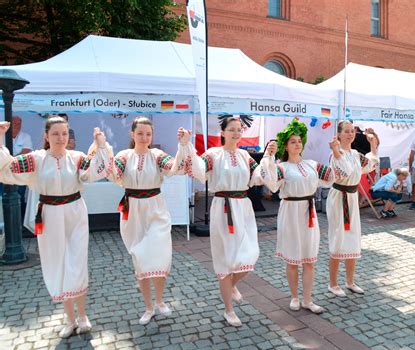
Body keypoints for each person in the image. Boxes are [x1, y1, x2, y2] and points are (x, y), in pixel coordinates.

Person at [0, 116, 111, 338]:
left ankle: (83, 316)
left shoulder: (77, 157)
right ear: (46, 136)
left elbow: (96, 171)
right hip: (49, 214)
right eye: (55, 134)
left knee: (77, 263)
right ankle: (70, 319)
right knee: (58, 262)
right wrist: (0, 138)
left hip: (75, 212)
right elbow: (7, 168)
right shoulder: (36, 159)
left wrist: (101, 145)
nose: (61, 138)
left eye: (64, 133)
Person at [107, 116, 193, 326]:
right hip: (133, 212)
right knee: (141, 259)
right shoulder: (125, 156)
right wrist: (102, 151)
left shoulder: (156, 155)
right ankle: (148, 307)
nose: (144, 138)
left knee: (160, 254)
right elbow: (113, 173)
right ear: (132, 134)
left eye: (148, 134)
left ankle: (160, 300)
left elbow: (175, 167)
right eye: (140, 134)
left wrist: (183, 145)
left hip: (156, 209)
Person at [184, 116, 263, 327]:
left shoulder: (245, 155)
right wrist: (188, 147)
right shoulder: (213, 154)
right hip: (223, 207)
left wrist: (271, 158)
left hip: (243, 207)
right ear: (223, 132)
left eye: (239, 130)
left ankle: (233, 284)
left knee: (250, 253)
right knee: (226, 259)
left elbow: (259, 175)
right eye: (232, 130)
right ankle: (229, 310)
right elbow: (199, 168)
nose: (236, 133)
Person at [260, 120, 335, 314]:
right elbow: (271, 183)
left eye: (299, 141)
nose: (297, 144)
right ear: (286, 145)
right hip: (290, 212)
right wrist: (268, 156)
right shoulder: (281, 167)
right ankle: (294, 297)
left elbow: (332, 176)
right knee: (293, 260)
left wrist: (337, 152)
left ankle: (308, 300)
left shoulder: (311, 164)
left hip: (308, 213)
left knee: (309, 259)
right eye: (293, 141)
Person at [326, 120, 379, 297]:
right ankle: (333, 283)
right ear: (339, 134)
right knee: (338, 236)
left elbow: (370, 165)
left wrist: (373, 144)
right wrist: (336, 150)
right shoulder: (335, 154)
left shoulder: (355, 154)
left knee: (353, 237)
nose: (350, 134)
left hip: (351, 197)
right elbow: (346, 172)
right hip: (339, 197)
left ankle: (350, 281)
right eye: (346, 131)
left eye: (352, 131)